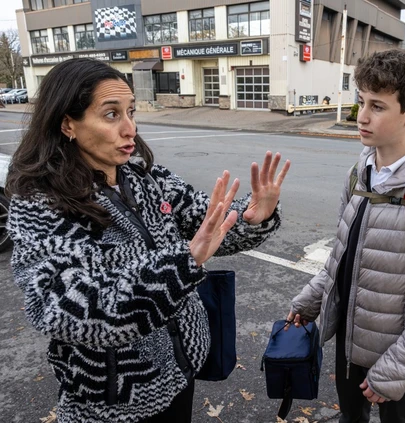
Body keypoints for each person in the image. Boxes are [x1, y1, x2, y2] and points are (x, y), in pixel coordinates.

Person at [6, 58, 290, 423]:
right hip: (114, 398)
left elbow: (206, 222)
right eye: (111, 115)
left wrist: (253, 215)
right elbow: (63, 306)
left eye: (131, 112)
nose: (130, 129)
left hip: (178, 369)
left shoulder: (145, 179)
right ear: (67, 124)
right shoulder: (40, 202)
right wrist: (182, 264)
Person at [287, 49, 405, 423]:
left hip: (399, 353)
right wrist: (309, 300)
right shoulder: (360, 174)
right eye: (361, 101)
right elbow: (342, 254)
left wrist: (396, 370)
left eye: (377, 106)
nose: (362, 117)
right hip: (348, 342)